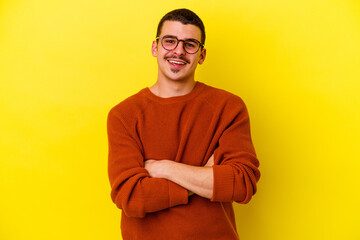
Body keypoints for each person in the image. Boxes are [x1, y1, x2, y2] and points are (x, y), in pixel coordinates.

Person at [107, 8, 260, 240]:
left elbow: (241, 184)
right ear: (155, 48)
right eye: (170, 41)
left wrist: (165, 168)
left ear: (202, 55)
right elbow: (132, 197)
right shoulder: (124, 115)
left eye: (190, 44)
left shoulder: (228, 107)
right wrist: (205, 178)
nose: (178, 50)